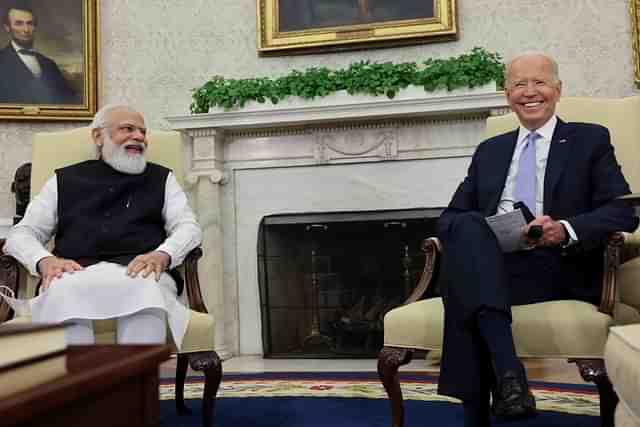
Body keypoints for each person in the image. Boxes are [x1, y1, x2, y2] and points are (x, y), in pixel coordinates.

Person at [436, 52, 638, 426]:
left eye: (540, 82)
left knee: (466, 282)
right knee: (466, 229)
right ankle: (510, 378)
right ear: (506, 94)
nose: (530, 92)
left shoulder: (588, 140)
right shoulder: (490, 151)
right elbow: (449, 218)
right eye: (518, 85)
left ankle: (482, 409)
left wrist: (564, 229)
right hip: (497, 264)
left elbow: (624, 210)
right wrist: (488, 231)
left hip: (559, 265)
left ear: (558, 90)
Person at [1, 104, 202, 348]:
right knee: (65, 290)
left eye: (142, 132)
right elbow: (21, 233)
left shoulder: (162, 178)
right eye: (128, 129)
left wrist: (163, 254)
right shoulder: (64, 180)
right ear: (99, 136)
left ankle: (137, 382)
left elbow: (188, 227)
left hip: (141, 271)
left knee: (146, 290)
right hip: (76, 272)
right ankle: (82, 382)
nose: (139, 137)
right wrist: (45, 261)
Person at [0, 3, 79, 104]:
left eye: (29, 23)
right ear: (7, 27)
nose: (26, 29)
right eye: (19, 23)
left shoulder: (49, 64)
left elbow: (68, 99)